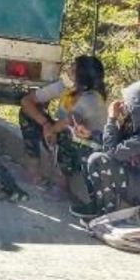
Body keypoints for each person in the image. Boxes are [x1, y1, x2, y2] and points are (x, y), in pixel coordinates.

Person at [71, 79, 140, 218]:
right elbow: (118, 145)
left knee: (98, 159)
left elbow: (110, 153)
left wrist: (112, 119)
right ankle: (97, 203)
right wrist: (91, 135)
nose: (125, 106)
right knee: (87, 153)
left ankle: (106, 212)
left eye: (130, 103)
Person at [19, 56, 107, 198]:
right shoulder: (66, 86)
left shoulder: (92, 99)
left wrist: (52, 129)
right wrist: (45, 124)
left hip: (85, 150)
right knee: (27, 113)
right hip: (59, 133)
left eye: (73, 68)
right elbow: (27, 101)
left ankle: (61, 184)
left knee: (67, 132)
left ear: (81, 76)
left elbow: (70, 121)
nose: (68, 69)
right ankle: (33, 170)